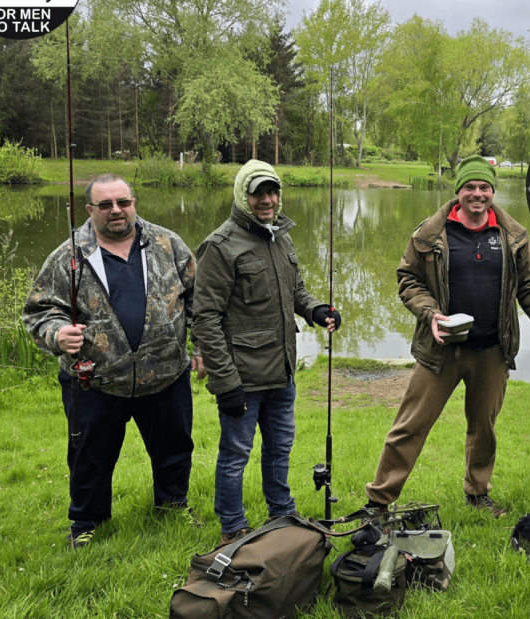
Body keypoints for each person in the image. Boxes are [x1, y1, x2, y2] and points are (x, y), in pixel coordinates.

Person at [364, 155, 530, 517]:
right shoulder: (429, 234)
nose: (477, 194)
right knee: (409, 427)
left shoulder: (515, 237)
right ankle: (379, 501)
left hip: (492, 350)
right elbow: (407, 280)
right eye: (470, 187)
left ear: (492, 191)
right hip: (441, 350)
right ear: (458, 191)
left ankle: (477, 494)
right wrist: (430, 313)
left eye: (484, 187)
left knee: (484, 430)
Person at [22, 174, 204, 549]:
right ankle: (87, 522)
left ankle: (172, 506)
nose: (116, 211)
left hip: (166, 374)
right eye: (105, 205)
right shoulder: (67, 256)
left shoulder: (168, 243)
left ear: (134, 202)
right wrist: (57, 334)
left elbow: (198, 300)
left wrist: (200, 348)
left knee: (174, 448)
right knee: (90, 456)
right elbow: (38, 311)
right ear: (90, 210)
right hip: (95, 380)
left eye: (123, 202)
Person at [192, 160, 341, 547]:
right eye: (258, 192)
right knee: (236, 455)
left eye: (272, 191)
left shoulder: (281, 238)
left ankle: (282, 511)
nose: (267, 200)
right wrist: (226, 384)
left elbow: (296, 291)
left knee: (280, 448)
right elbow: (205, 319)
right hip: (242, 378)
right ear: (243, 195)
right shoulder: (221, 246)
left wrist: (316, 310)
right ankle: (232, 527)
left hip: (282, 372)